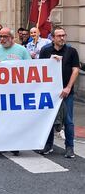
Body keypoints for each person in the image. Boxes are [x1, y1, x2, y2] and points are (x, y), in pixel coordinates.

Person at [0, 27, 30, 157]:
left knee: (14, 120)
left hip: (16, 93)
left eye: (5, 36)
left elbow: (31, 68)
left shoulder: (22, 50)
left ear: (12, 37)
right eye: (0, 36)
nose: (2, 39)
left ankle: (15, 145)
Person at [39, 26, 80, 158]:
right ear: (53, 38)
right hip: (50, 92)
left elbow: (75, 70)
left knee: (68, 120)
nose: (62, 38)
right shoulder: (45, 51)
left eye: (64, 35)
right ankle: (48, 145)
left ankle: (69, 147)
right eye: (59, 36)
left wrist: (68, 87)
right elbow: (41, 69)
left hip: (66, 92)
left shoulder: (71, 51)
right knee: (49, 119)